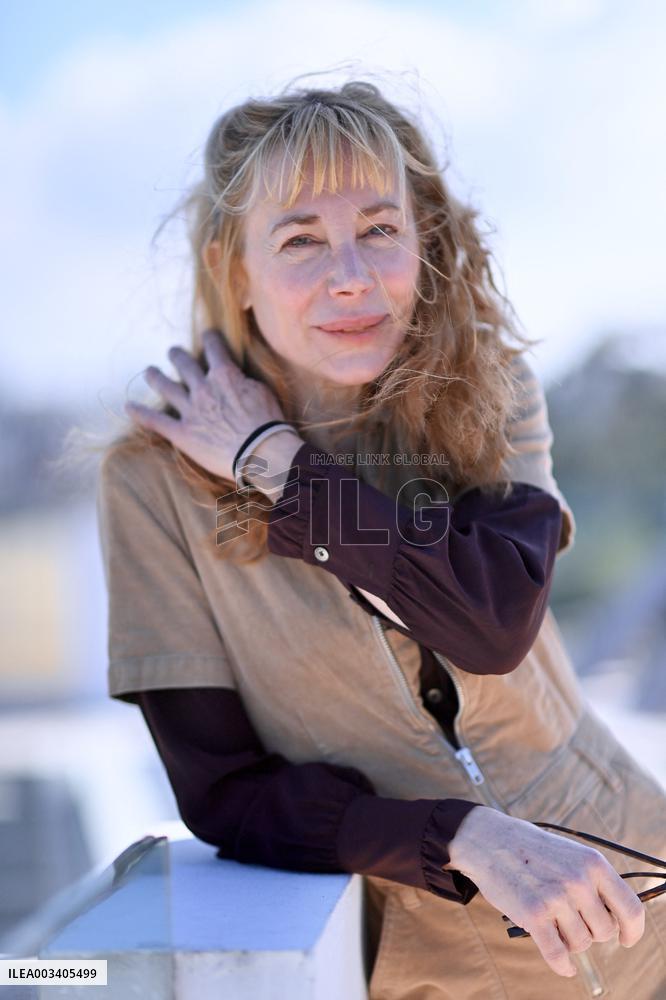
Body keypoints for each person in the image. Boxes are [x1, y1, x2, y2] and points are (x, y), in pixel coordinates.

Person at [96, 78, 666, 999]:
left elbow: (487, 623)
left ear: (422, 241)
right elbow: (224, 793)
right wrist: (459, 835)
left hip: (644, 883)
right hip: (438, 965)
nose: (351, 274)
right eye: (301, 240)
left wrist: (269, 459)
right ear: (234, 271)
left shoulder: (492, 394)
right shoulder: (150, 486)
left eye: (379, 229)